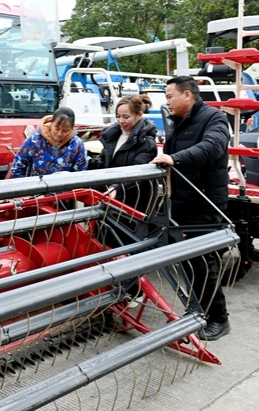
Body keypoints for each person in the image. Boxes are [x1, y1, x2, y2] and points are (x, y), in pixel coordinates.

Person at [151, 75, 232, 341]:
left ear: (187, 95)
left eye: (169, 96)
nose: (167, 101)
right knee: (187, 261)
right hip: (182, 202)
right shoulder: (180, 122)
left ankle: (219, 318)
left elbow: (212, 148)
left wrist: (174, 158)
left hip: (205, 201)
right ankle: (197, 311)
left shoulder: (214, 118)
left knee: (204, 261)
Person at [97, 95, 158, 209]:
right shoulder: (111, 137)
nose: (121, 121)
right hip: (108, 197)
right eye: (118, 116)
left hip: (131, 204)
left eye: (126, 117)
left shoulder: (147, 144)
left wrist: (117, 187)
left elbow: (138, 174)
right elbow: (102, 163)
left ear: (139, 115)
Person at [10, 107, 87, 178]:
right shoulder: (35, 139)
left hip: (64, 190)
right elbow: (19, 163)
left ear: (72, 128)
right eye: (57, 128)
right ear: (51, 123)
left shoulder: (77, 145)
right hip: (36, 189)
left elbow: (81, 172)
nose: (59, 133)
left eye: (65, 130)